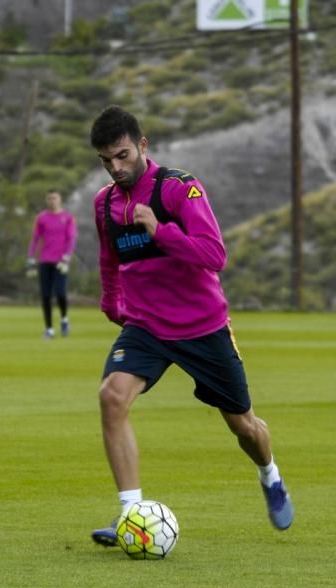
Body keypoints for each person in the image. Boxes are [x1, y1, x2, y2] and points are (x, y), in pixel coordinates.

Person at [89, 105, 294, 546]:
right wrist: (111, 303)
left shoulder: (180, 189)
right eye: (106, 160)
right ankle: (131, 515)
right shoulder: (104, 203)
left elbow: (214, 255)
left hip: (203, 326)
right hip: (147, 326)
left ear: (143, 145)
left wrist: (159, 230)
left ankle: (270, 474)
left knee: (244, 427)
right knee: (111, 397)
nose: (116, 168)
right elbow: (110, 258)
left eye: (122, 155)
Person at [26, 189, 78, 338]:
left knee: (60, 294)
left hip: (61, 262)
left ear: (60, 199)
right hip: (45, 261)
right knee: (45, 296)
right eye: (49, 198)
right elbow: (35, 238)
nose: (51, 201)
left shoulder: (67, 218)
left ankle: (64, 318)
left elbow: (71, 239)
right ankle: (49, 329)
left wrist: (67, 257)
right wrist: (30, 258)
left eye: (54, 198)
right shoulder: (41, 218)